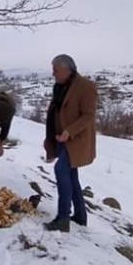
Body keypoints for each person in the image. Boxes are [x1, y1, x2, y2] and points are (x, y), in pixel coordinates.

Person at [42, 54, 97, 233]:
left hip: (76, 140)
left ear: (67, 69)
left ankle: (63, 218)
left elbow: (88, 116)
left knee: (61, 170)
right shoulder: (60, 86)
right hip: (62, 139)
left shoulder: (85, 87)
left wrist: (69, 131)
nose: (53, 74)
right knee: (71, 176)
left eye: (55, 70)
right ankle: (80, 217)